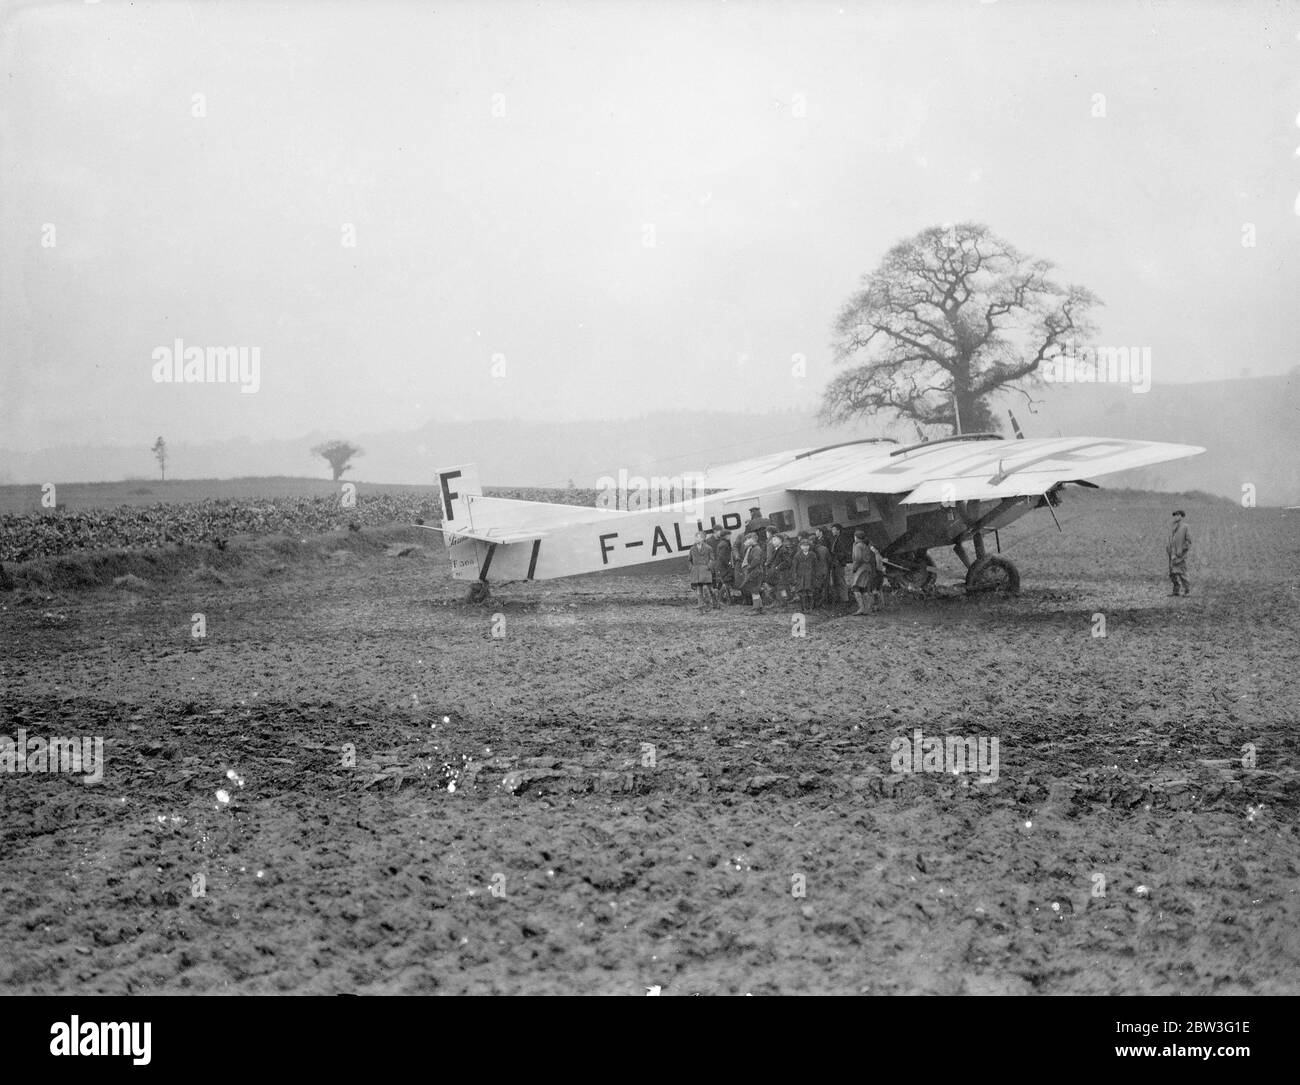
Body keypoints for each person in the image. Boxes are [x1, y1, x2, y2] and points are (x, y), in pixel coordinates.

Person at [848, 529, 883, 615]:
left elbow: (858, 558)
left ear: (856, 537)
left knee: (855, 587)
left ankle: (861, 608)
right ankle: (868, 609)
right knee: (864, 588)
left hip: (860, 568)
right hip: (867, 567)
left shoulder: (857, 546)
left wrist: (854, 568)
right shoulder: (866, 545)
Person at [735, 532, 765, 612]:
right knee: (754, 590)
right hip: (754, 571)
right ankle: (759, 607)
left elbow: (756, 560)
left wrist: (749, 567)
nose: (746, 541)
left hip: (755, 571)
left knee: (754, 590)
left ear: (753, 539)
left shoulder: (756, 549)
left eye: (748, 539)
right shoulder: (751, 548)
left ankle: (757, 608)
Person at [687, 530, 716, 611]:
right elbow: (689, 560)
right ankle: (700, 605)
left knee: (708, 589)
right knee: (699, 589)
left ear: (702, 539)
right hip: (696, 572)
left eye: (698, 537)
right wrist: (691, 568)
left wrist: (708, 567)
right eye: (695, 537)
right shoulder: (692, 549)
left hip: (705, 571)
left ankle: (712, 603)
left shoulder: (708, 548)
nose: (696, 539)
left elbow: (712, 559)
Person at [1166, 509, 1192, 596]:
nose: (1175, 517)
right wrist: (1169, 549)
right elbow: (1171, 540)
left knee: (1182, 573)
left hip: (1180, 555)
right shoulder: (1173, 527)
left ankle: (1187, 591)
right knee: (1172, 573)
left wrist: (1181, 552)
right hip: (1172, 554)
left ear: (1181, 516)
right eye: (1175, 515)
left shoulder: (1185, 527)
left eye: (1177, 515)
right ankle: (1176, 591)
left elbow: (1188, 541)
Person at [764, 532, 793, 606]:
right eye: (773, 540)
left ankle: (785, 604)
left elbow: (787, 562)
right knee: (778, 587)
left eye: (775, 540)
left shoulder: (783, 550)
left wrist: (777, 567)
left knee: (782, 588)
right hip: (777, 573)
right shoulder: (776, 549)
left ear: (780, 540)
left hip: (781, 573)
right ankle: (780, 602)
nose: (773, 542)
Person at [790, 536, 817, 613]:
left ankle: (811, 608)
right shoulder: (797, 556)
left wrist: (815, 575)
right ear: (800, 546)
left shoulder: (812, 555)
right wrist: (794, 577)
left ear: (809, 546)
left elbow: (816, 566)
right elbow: (794, 567)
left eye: (807, 546)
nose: (805, 547)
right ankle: (804, 608)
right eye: (803, 546)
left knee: (810, 591)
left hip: (810, 576)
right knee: (802, 592)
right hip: (801, 577)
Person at [830, 523, 853, 603]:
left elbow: (843, 552)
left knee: (841, 581)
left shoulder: (840, 539)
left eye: (833, 529)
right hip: (836, 562)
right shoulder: (836, 538)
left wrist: (836, 557)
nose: (832, 531)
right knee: (838, 580)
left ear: (838, 530)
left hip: (839, 563)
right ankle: (842, 598)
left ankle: (845, 599)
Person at [711, 525, 734, 604]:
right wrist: (729, 563)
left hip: (721, 566)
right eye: (729, 535)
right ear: (726, 536)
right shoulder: (724, 544)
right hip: (723, 566)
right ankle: (722, 599)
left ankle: (724, 599)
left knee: (724, 582)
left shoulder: (723, 543)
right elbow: (723, 557)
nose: (730, 536)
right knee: (725, 582)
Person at [813, 529, 833, 608]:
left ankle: (819, 602)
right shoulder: (824, 549)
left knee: (819, 586)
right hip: (825, 569)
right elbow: (829, 560)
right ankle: (825, 601)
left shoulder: (812, 551)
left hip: (817, 571)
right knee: (826, 586)